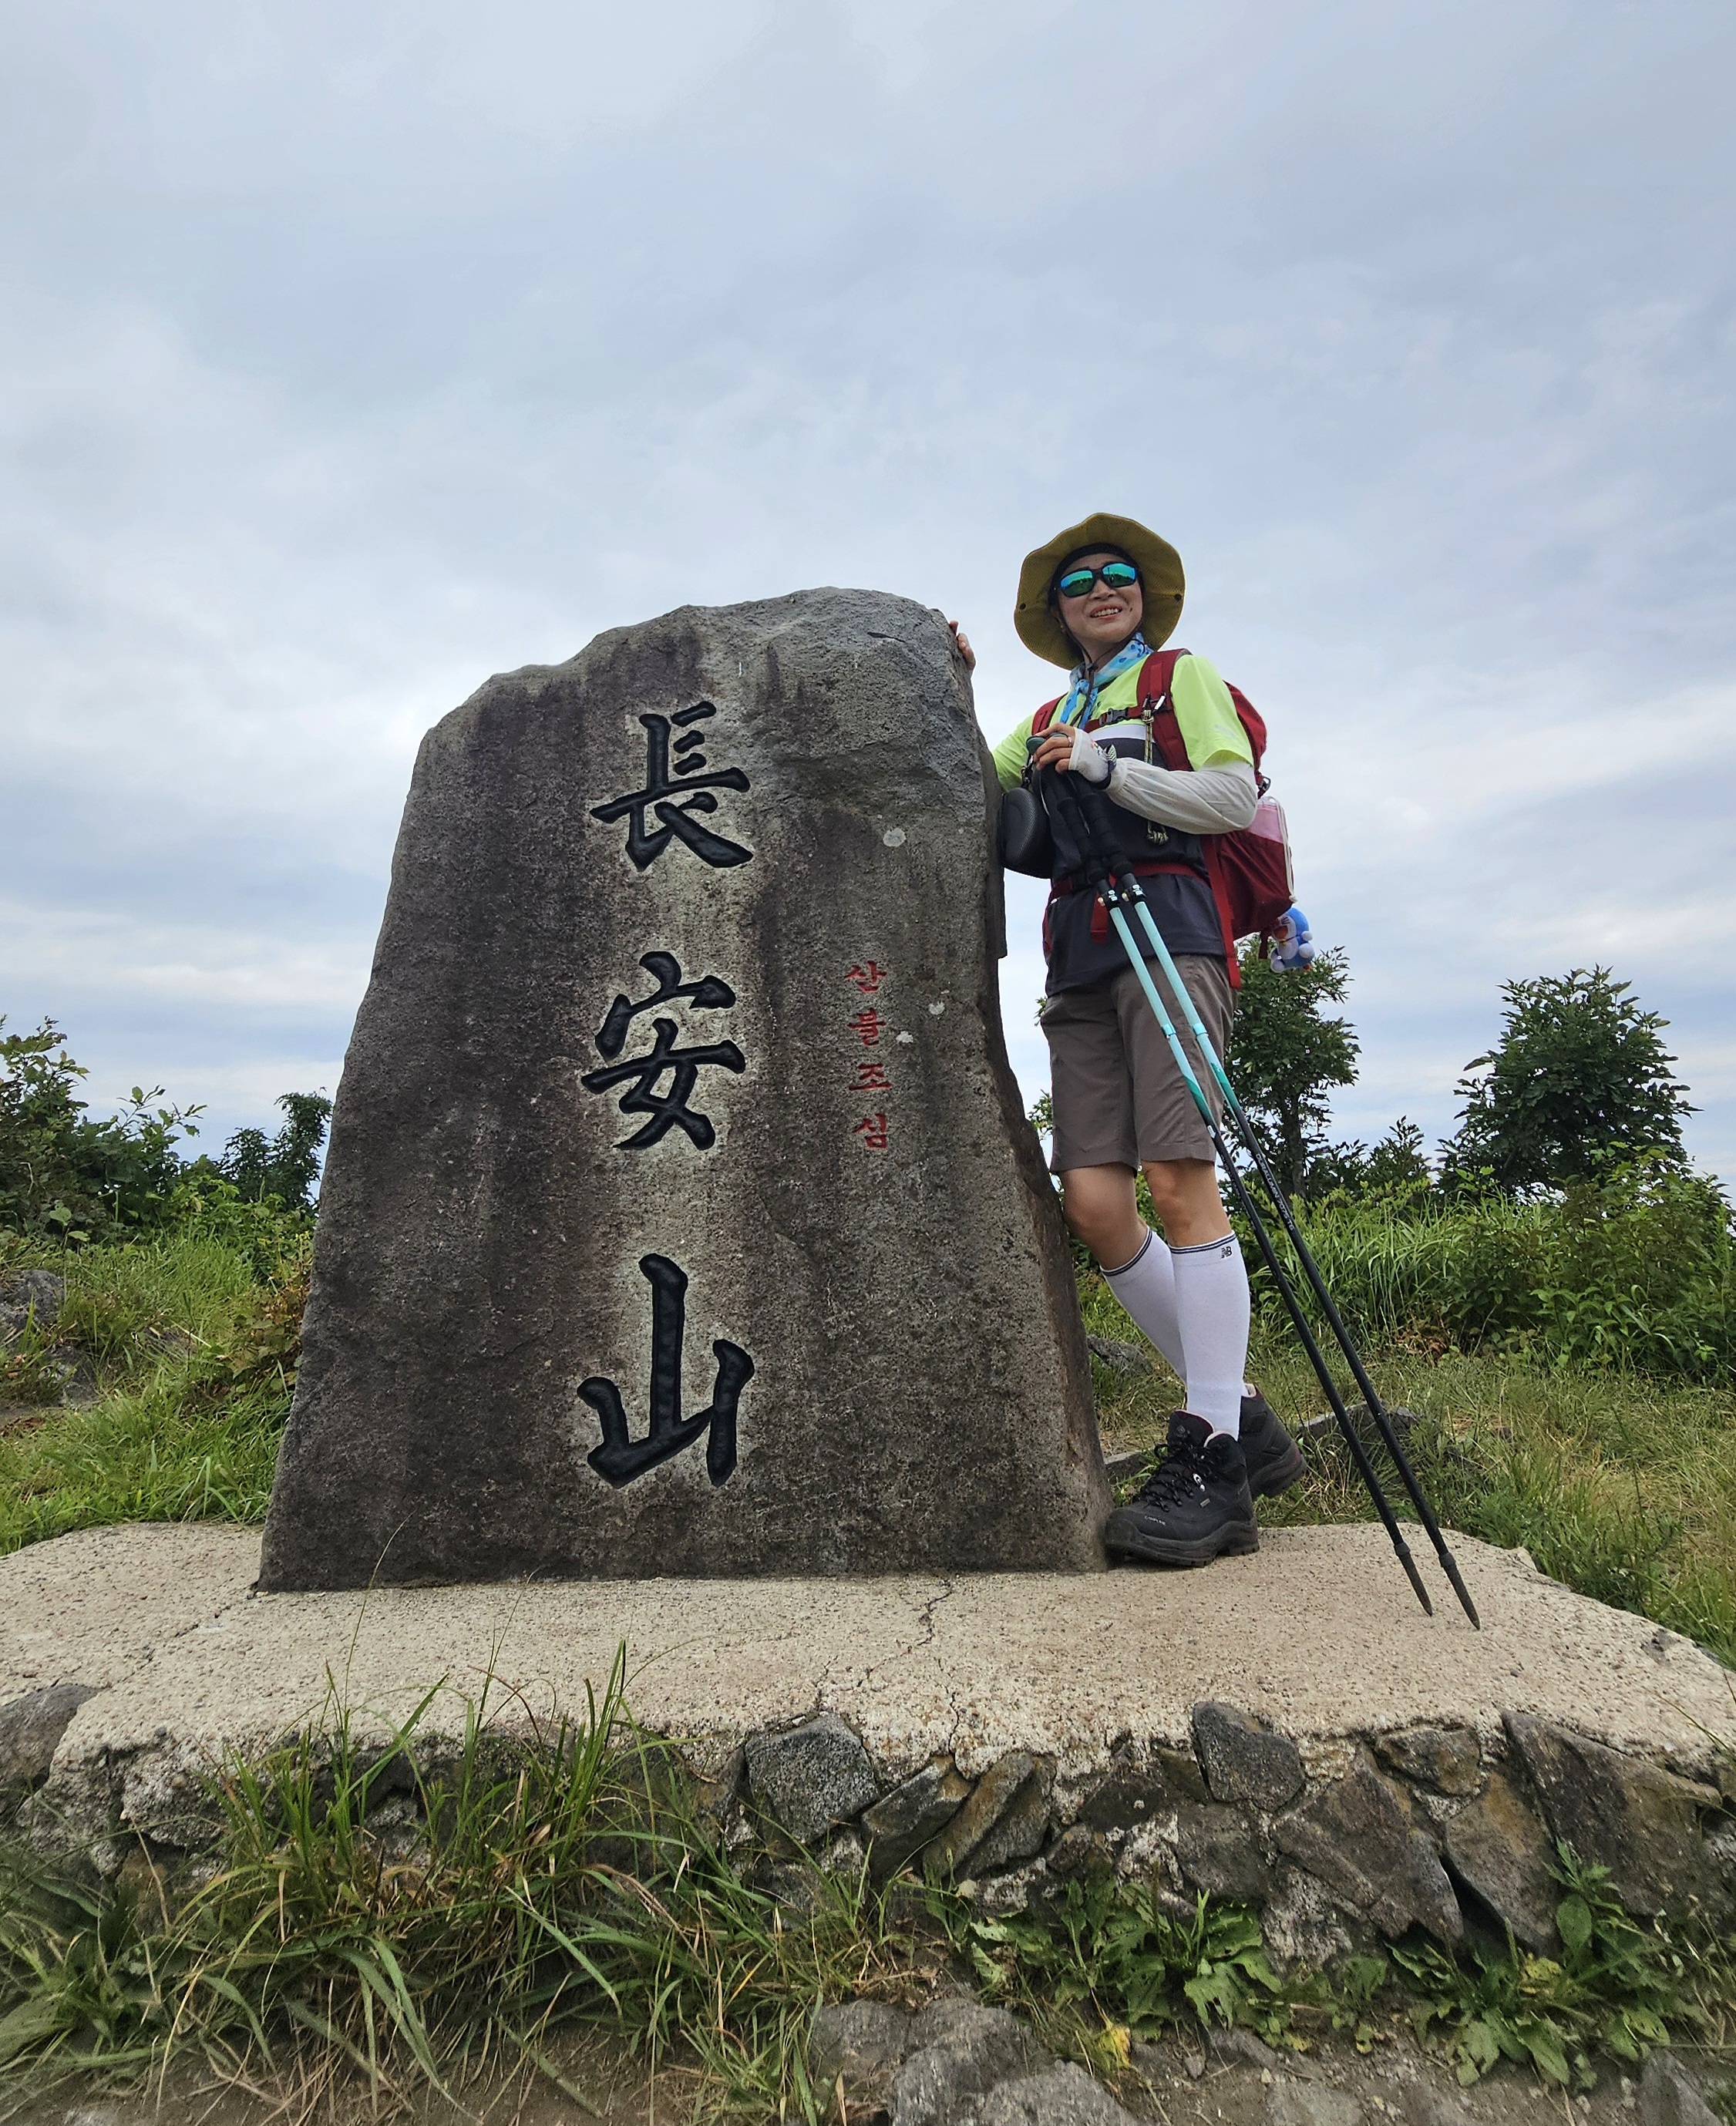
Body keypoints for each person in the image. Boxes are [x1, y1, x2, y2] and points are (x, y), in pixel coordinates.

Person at [951, 512, 1304, 1566]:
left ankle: (1214, 1459)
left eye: (1117, 575)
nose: (1101, 589)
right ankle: (1239, 1412)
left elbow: (1230, 794)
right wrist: (946, 684)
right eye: (1078, 582)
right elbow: (970, 784)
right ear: (1056, 613)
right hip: (1081, 953)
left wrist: (1105, 771)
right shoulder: (1046, 714)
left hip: (1171, 936)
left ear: (1143, 594)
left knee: (1178, 1175)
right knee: (1097, 1206)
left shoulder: (1178, 679)